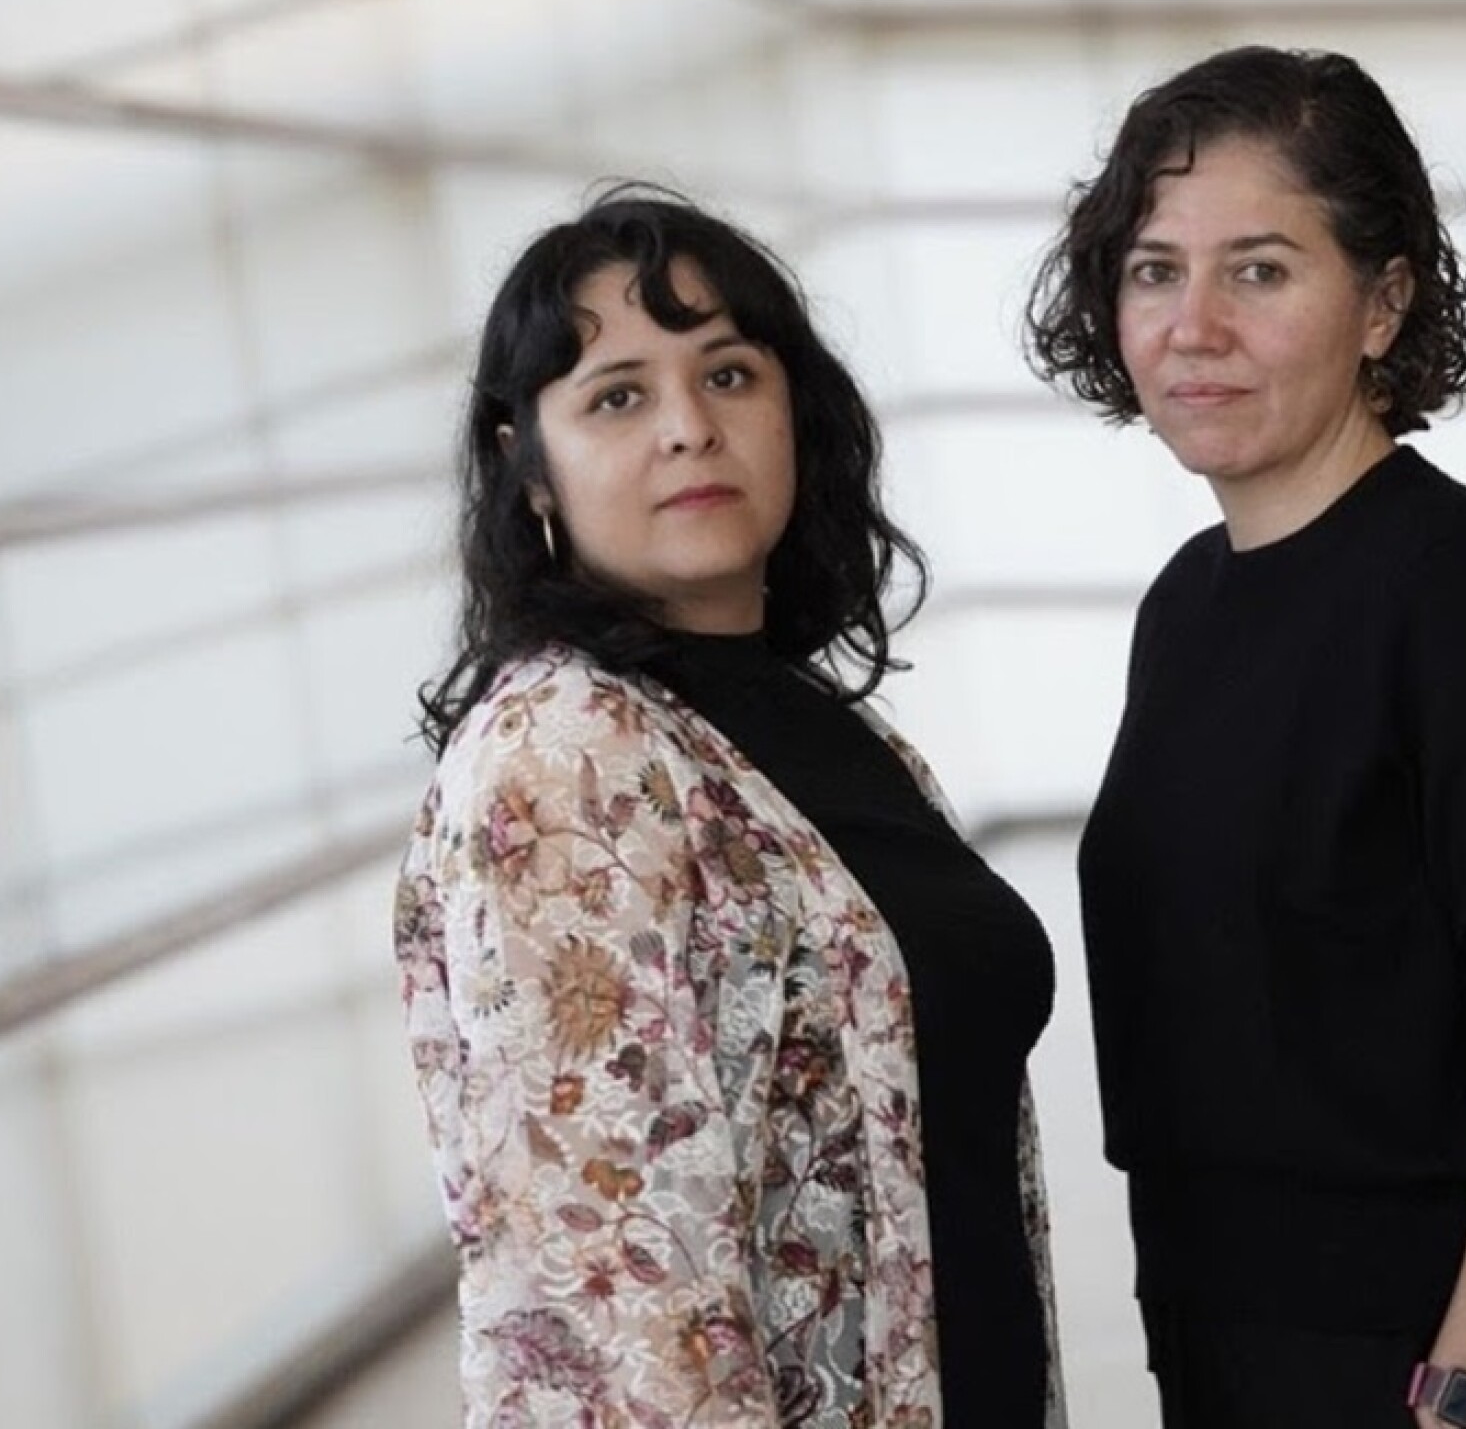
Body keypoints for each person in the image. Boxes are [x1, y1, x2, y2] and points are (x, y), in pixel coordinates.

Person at [1025, 46, 1466, 1429]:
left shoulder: (1461, 592)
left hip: (1450, 1367)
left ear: (1381, 302)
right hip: (1236, 1350)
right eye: (1154, 270)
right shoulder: (1186, 605)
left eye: (1258, 270)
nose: (1192, 326)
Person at [395, 187, 1065, 1428]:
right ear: (526, 466)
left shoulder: (834, 734)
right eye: (617, 397)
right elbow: (615, 1289)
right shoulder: (563, 751)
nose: (688, 430)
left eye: (728, 376)